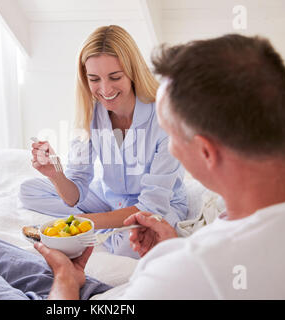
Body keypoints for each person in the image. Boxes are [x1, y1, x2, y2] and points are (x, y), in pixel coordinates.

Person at [0, 33, 285, 300]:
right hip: (117, 291)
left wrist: (65, 284)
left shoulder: (190, 271)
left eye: (173, 141)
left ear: (206, 152)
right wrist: (168, 244)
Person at [18, 25, 188, 259]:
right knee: (29, 191)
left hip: (159, 206)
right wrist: (55, 174)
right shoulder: (90, 112)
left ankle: (112, 226)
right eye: (94, 79)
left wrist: (76, 224)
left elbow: (152, 206)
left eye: (115, 77)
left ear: (132, 72)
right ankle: (113, 223)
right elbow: (75, 191)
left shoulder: (165, 117)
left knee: (126, 247)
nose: (105, 89)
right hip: (110, 199)